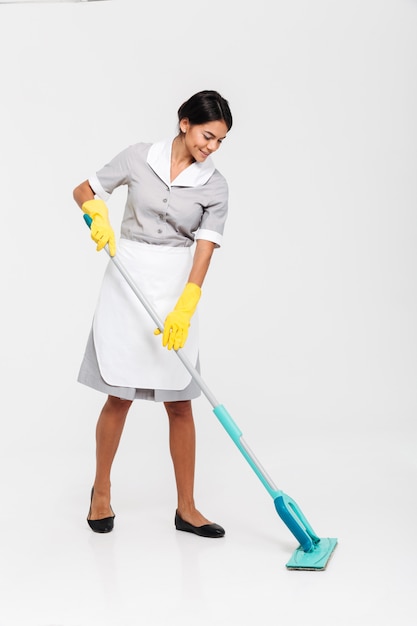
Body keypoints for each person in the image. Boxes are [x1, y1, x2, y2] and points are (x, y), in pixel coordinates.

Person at [73, 90, 233, 538]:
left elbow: (206, 247)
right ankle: (100, 492)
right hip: (128, 281)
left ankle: (188, 508)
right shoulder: (139, 157)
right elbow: (84, 189)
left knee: (180, 401)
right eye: (208, 136)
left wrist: (187, 303)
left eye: (220, 141)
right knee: (118, 395)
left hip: (173, 288)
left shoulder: (215, 185)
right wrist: (96, 214)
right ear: (185, 123)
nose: (212, 148)